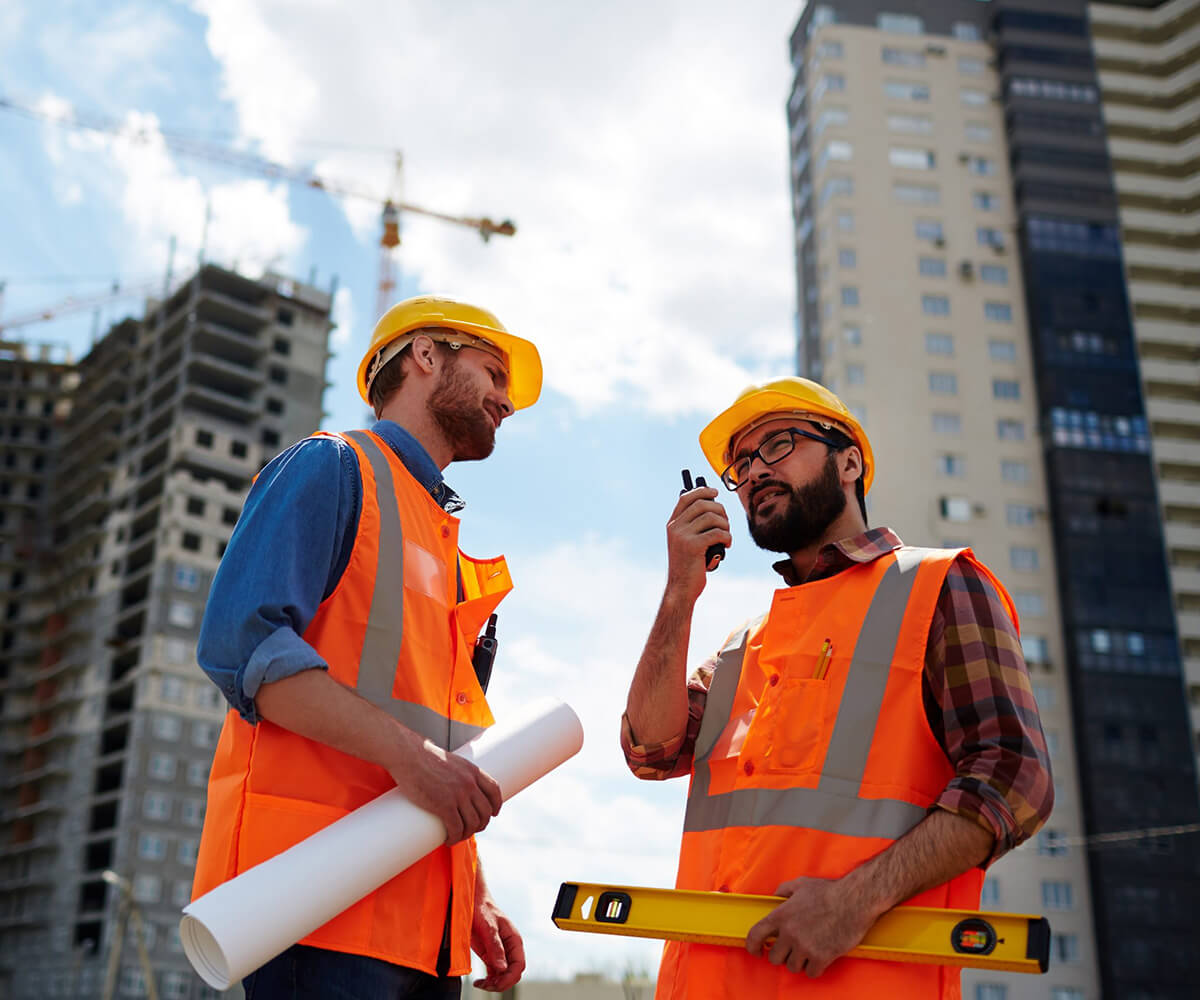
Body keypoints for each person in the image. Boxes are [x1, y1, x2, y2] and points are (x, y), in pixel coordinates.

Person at [622, 377, 1053, 999]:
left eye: (779, 445)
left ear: (848, 460)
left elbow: (1015, 778)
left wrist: (855, 902)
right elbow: (649, 748)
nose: (754, 473)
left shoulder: (937, 585)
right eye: (741, 465)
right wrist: (678, 592)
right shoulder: (746, 643)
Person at [192, 296, 541, 999]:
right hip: (315, 907)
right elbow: (245, 650)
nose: (506, 401)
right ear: (424, 355)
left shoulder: (444, 547)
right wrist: (415, 761)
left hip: (425, 934)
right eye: (493, 372)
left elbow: (442, 751)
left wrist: (471, 892)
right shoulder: (332, 468)